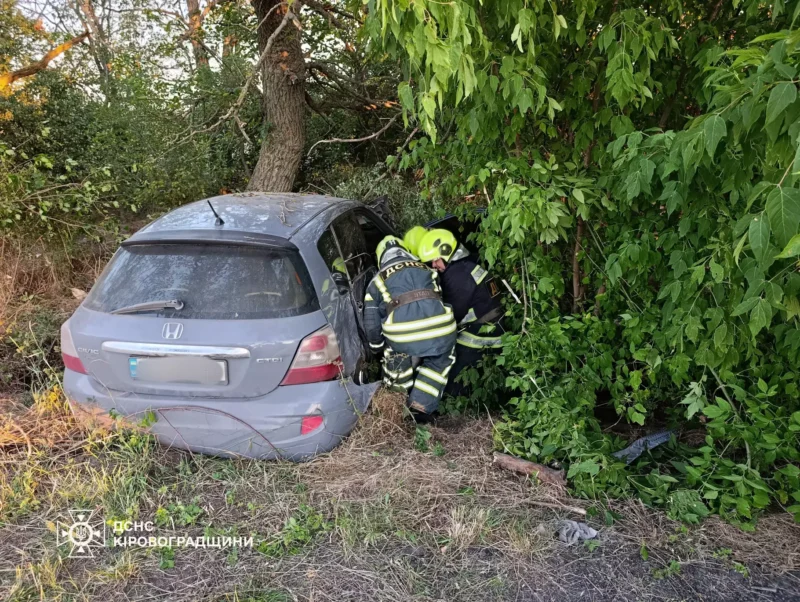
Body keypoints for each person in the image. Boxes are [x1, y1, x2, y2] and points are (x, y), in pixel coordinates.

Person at [364, 235, 457, 420]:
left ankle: (395, 410)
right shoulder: (427, 269)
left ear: (381, 257)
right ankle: (420, 410)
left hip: (402, 335)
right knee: (440, 361)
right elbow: (438, 297)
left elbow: (371, 323)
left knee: (396, 360)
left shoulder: (376, 281)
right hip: (441, 329)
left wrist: (376, 347)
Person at [417, 228, 504, 396]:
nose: (434, 266)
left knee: (451, 382)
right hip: (494, 330)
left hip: (481, 339)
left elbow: (449, 317)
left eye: (435, 260)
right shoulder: (466, 265)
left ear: (447, 253)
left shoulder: (458, 277)